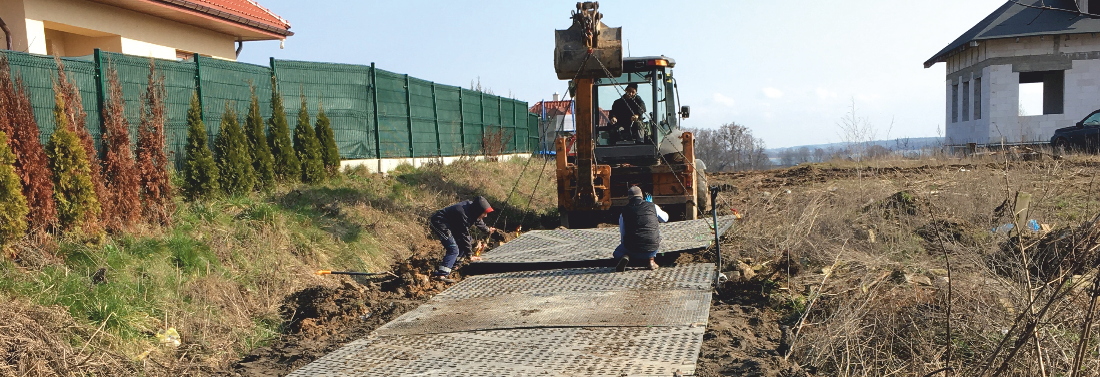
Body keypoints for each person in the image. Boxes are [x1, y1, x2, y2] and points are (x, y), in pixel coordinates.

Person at [429, 196, 495, 283]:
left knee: (466, 242)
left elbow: (478, 220)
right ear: (478, 211)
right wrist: (470, 256)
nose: (486, 216)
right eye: (484, 213)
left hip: (451, 224)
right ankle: (442, 274)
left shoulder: (473, 210)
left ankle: (453, 266)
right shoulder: (462, 213)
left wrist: (487, 229)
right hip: (440, 223)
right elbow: (464, 235)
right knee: (453, 249)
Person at [614, 186, 669, 272]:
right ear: (642, 196)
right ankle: (651, 261)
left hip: (632, 249)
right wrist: (654, 208)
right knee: (653, 232)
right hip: (652, 248)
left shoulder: (623, 212)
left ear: (628, 198)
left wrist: (625, 246)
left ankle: (625, 256)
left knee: (617, 253)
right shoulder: (652, 206)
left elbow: (623, 232)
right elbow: (665, 219)